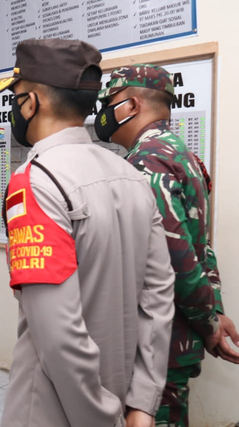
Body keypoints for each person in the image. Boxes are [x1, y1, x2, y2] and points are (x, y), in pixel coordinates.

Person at [0, 39, 176, 427]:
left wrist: (103, 419)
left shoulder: (35, 182)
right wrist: (142, 405)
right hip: (123, 395)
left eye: (16, 98)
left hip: (55, 408)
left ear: (31, 102)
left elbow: (59, 337)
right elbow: (159, 298)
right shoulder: (132, 176)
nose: (15, 108)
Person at [96, 64, 239, 427]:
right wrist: (215, 310)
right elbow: (201, 245)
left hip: (159, 341)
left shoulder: (147, 163)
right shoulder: (182, 154)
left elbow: (177, 258)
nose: (101, 113)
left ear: (130, 106)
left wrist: (209, 324)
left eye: (108, 102)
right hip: (176, 337)